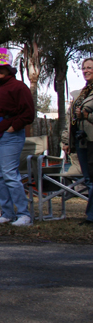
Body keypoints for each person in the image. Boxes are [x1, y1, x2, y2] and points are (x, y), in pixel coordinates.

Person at [0, 48, 35, 227]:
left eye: (2, 67)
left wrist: (13, 127)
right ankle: (7, 213)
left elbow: (28, 113)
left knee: (11, 175)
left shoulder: (19, 87)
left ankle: (24, 214)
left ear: (9, 69)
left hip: (8, 136)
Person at [62, 58, 93, 226]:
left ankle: (91, 217)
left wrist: (87, 116)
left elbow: (83, 115)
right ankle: (90, 216)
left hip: (92, 141)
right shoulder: (81, 93)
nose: (86, 70)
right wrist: (66, 141)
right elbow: (70, 118)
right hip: (81, 142)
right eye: (84, 68)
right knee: (88, 180)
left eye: (89, 68)